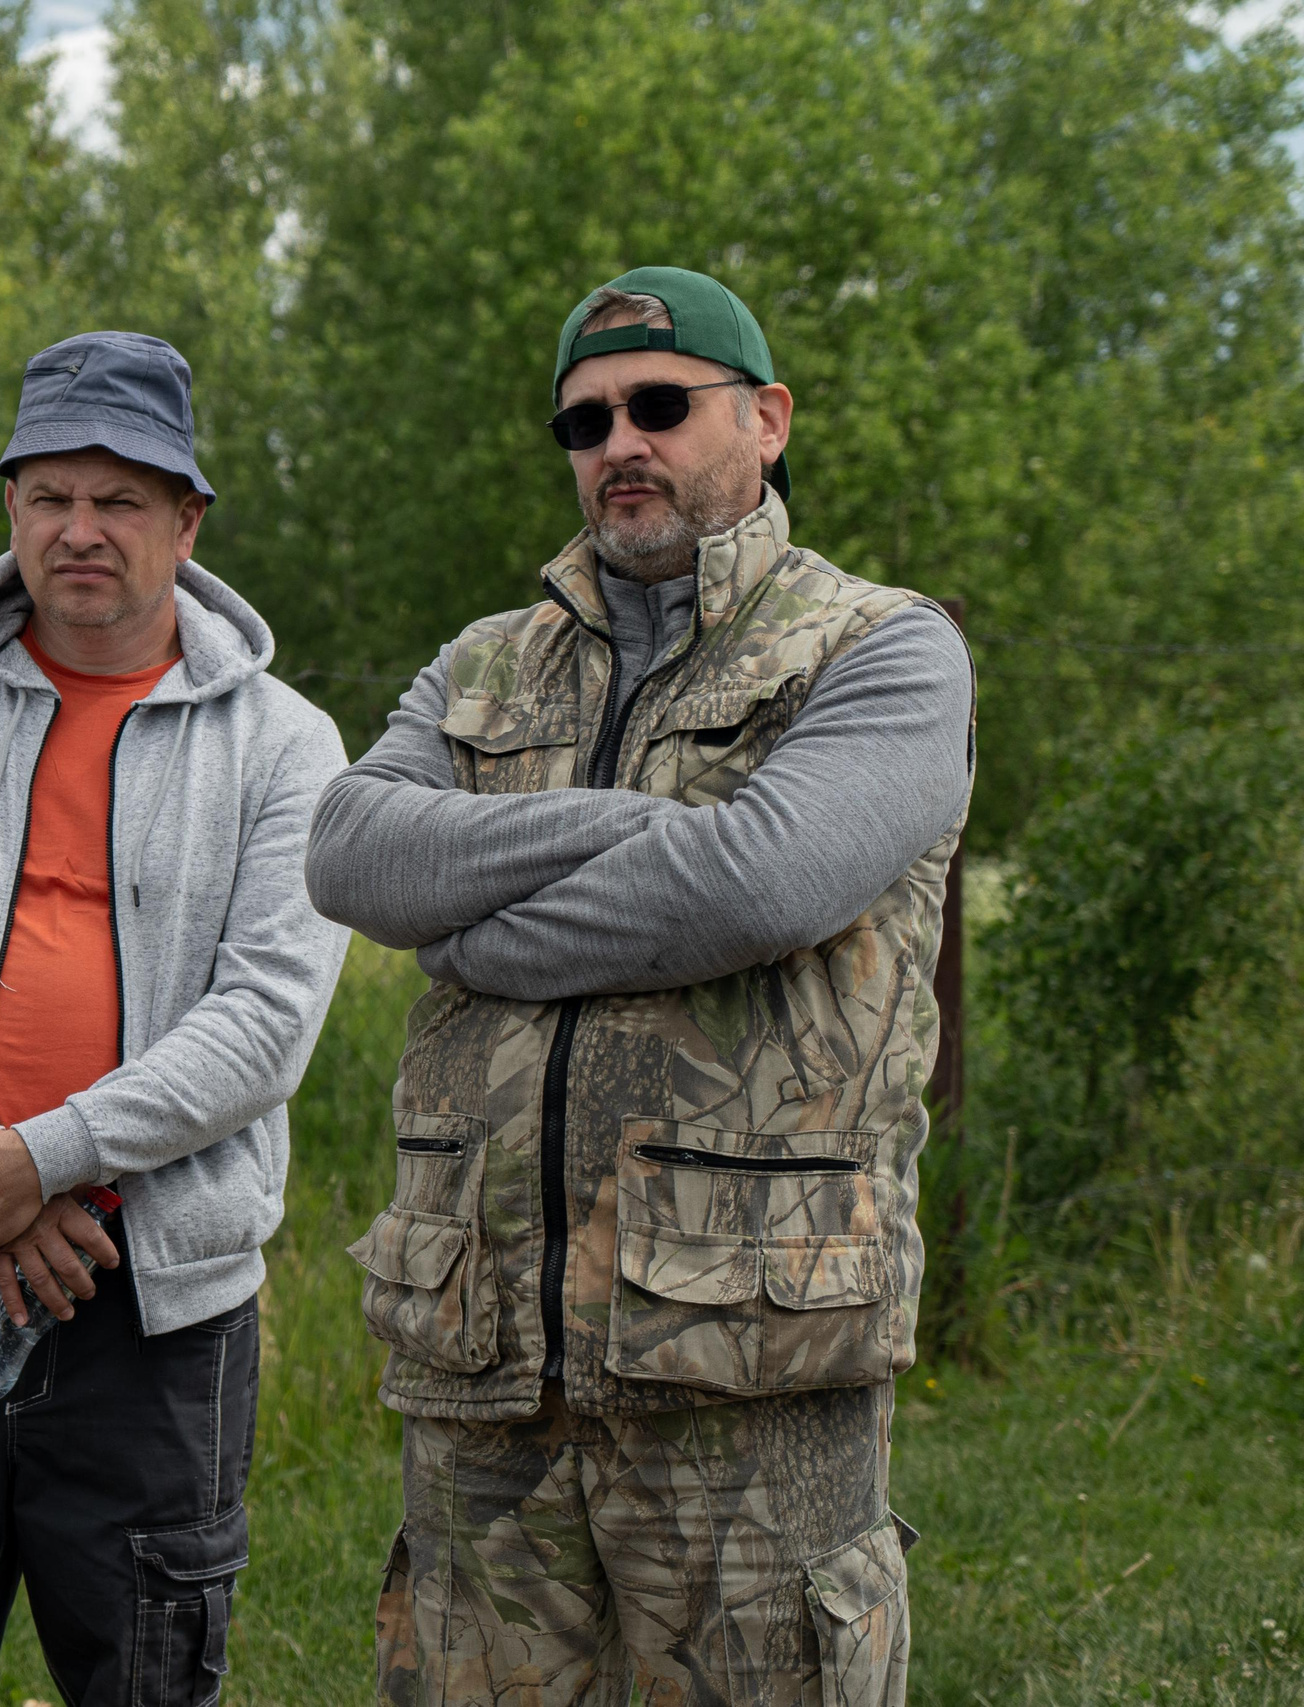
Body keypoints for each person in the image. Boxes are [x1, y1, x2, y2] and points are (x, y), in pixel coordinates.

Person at [304, 266, 973, 1706]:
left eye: (663, 404)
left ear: (768, 418)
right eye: (587, 419)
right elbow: (353, 852)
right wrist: (632, 828)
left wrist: (474, 930)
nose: (621, 443)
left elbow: (757, 883)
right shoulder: (487, 660)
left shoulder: (883, 647)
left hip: (747, 1364)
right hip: (484, 1365)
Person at [0, 331, 349, 1705]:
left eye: (121, 497)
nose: (80, 528)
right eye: (50, 494)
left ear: (187, 518)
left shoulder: (284, 742)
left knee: (144, 1679)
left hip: (156, 1308)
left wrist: (38, 1157)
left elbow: (266, 1018)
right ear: (13, 508)